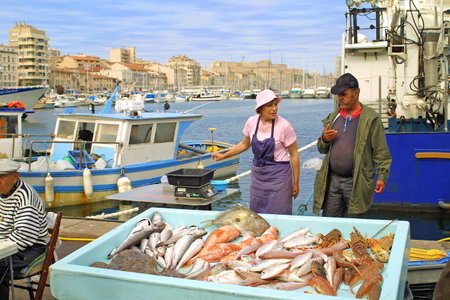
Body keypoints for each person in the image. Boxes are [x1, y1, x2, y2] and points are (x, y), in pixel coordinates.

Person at [313, 73, 391, 218]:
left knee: (356, 226)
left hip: (357, 181)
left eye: (343, 94)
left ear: (356, 93)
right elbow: (321, 148)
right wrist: (324, 138)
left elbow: (381, 153)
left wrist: (382, 177)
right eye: (338, 95)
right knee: (329, 225)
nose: (340, 98)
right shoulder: (333, 116)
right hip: (333, 181)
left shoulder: (371, 118)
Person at [212, 89, 300, 215]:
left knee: (279, 214)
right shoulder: (251, 122)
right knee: (257, 216)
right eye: (269, 105)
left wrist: (296, 183)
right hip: (258, 177)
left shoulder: (285, 126)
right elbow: (244, 144)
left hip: (279, 178)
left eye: (275, 104)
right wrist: (224, 155)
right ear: (260, 108)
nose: (274, 109)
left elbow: (294, 154)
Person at [0, 159, 49, 299]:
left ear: (15, 176)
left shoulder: (25, 197)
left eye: (2, 177)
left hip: (29, 247)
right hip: (6, 243)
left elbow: (24, 238)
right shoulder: (3, 192)